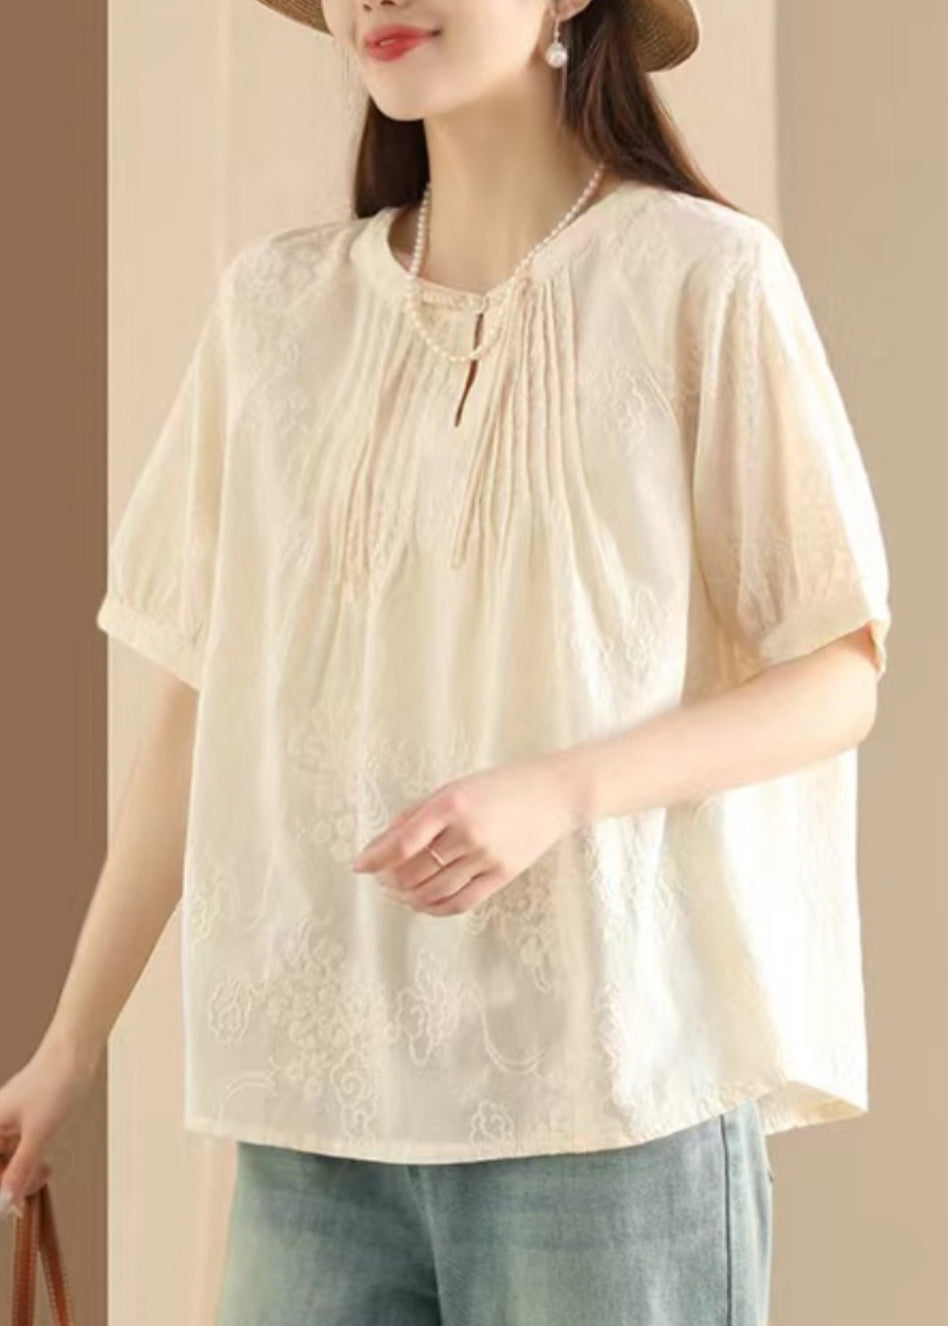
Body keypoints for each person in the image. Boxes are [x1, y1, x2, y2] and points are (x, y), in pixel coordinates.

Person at [0, 0, 893, 1322]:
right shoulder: (275, 314)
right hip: (315, 1117)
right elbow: (198, 704)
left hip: (611, 1110)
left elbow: (837, 672)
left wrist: (556, 792)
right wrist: (72, 1043)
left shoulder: (703, 280)